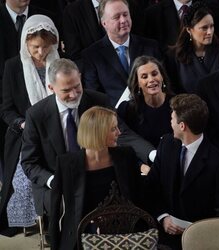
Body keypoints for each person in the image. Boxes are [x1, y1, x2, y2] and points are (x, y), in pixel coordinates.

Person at [21, 58, 154, 223]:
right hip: (56, 183)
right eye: (66, 90)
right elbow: (29, 163)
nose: (74, 94)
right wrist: (54, 181)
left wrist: (153, 153)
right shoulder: (36, 115)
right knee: (75, 207)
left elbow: (123, 133)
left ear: (80, 77)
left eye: (77, 87)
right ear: (51, 88)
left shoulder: (99, 100)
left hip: (98, 174)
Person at [146, 94, 219, 250]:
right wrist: (163, 217)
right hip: (163, 238)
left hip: (201, 243)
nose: (170, 122)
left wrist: (195, 231)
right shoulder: (166, 144)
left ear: (182, 126)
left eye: (172, 119)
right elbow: (152, 187)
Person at [50, 106, 142, 250]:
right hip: (80, 233)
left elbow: (138, 196)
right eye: (113, 129)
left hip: (122, 230)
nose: (119, 132)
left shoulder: (126, 155)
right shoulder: (66, 163)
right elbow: (55, 210)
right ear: (97, 133)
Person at [0, 14, 59, 234]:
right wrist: (24, 124)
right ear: (26, 42)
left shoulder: (61, 63)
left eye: (45, 47)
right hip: (24, 135)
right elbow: (6, 109)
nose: (41, 53)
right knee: (23, 181)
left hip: (58, 132)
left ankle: (54, 219)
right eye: (35, 47)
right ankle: (31, 220)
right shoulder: (13, 66)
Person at [80, 0, 162, 107]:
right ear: (104, 23)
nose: (123, 20)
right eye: (116, 17)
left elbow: (164, 84)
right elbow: (94, 95)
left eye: (125, 14)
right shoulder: (92, 55)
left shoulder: (151, 47)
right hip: (114, 117)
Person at [164, 1, 219, 94]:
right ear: (189, 30)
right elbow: (172, 91)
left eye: (212, 26)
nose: (210, 32)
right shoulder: (174, 56)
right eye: (204, 28)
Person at [117, 56, 173, 149]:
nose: (151, 80)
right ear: (138, 83)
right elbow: (125, 143)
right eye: (144, 77)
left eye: (155, 74)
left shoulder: (178, 104)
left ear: (162, 76)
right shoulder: (127, 110)